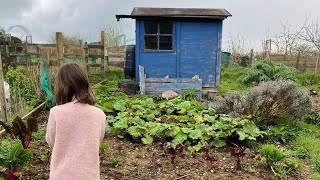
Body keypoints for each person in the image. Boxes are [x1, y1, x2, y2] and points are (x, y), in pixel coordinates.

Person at [46, 63, 106, 180]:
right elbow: (98, 140)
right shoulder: (99, 115)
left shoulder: (56, 113)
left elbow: (51, 141)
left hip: (61, 175)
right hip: (89, 175)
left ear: (61, 86)